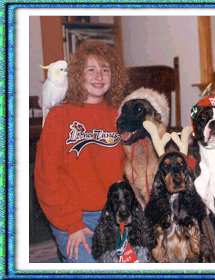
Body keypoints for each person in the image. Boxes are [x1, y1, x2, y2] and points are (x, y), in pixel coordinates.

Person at [34, 40, 126, 262]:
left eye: (105, 70)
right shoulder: (59, 116)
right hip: (73, 216)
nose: (99, 76)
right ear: (77, 75)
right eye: (91, 70)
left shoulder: (120, 114)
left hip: (115, 214)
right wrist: (72, 224)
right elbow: (46, 178)